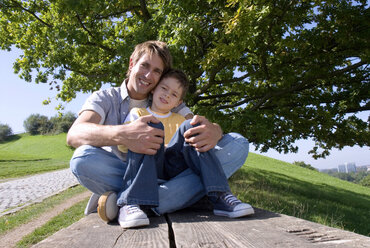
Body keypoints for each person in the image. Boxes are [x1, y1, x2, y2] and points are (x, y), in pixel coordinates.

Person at [67, 40, 251, 228]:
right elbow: (75, 134)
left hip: (173, 171)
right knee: (83, 159)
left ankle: (133, 202)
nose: (148, 75)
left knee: (238, 143)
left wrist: (215, 130)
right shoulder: (106, 98)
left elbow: (195, 126)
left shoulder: (168, 98)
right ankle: (183, 197)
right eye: (144, 65)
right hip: (125, 172)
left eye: (157, 71)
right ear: (132, 64)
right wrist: (124, 133)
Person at [109, 69, 254, 228]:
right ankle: (130, 202)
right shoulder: (138, 113)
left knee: (193, 125)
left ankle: (220, 195)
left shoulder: (179, 119)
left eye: (174, 94)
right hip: (150, 165)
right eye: (164, 88)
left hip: (176, 169)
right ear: (154, 89)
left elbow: (189, 144)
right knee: (148, 126)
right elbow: (124, 144)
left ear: (179, 102)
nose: (167, 95)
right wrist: (154, 141)